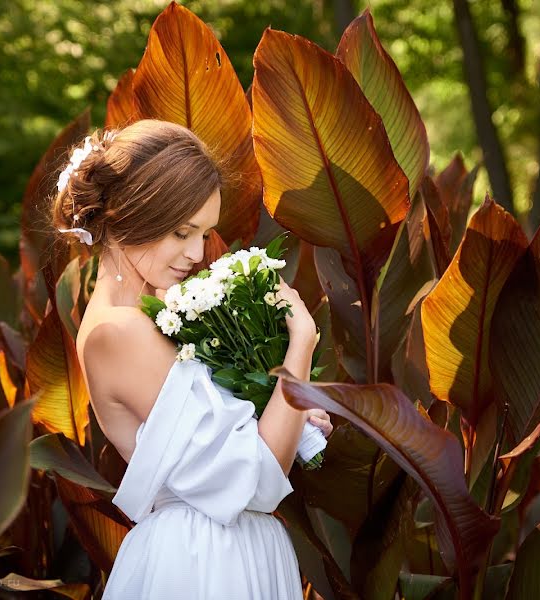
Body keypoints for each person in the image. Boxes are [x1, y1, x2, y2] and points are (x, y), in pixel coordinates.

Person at [50, 119, 334, 599]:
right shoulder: (118, 332)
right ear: (127, 213)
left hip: (227, 549)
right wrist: (300, 343)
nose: (197, 253)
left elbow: (246, 448)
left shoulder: (152, 318)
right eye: (182, 232)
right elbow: (255, 480)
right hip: (203, 563)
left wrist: (291, 409)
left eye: (204, 234)